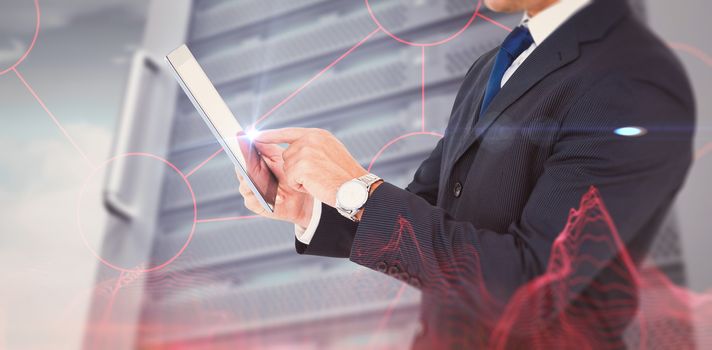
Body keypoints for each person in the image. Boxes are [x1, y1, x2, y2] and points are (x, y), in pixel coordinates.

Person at [236, 0, 695, 347]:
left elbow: (531, 285)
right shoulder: (492, 67)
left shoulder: (634, 79)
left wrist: (356, 188)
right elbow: (430, 206)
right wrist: (311, 207)